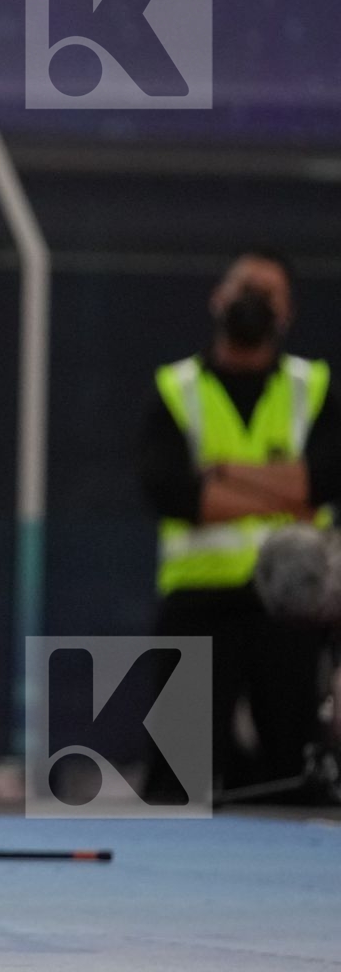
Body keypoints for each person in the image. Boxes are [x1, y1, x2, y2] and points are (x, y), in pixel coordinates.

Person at [139, 249, 338, 799]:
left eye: (268, 293)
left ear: (289, 314)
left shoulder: (313, 387)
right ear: (217, 298)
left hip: (292, 608)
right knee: (176, 777)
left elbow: (320, 483)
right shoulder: (175, 388)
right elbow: (176, 494)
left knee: (293, 774)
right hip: (197, 602)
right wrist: (282, 487)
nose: (253, 300)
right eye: (244, 286)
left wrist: (222, 474)